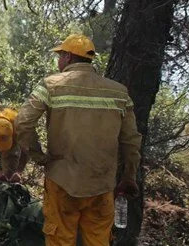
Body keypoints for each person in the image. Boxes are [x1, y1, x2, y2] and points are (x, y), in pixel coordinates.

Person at [16, 34, 142, 246]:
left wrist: (40, 157)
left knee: (60, 239)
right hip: (102, 184)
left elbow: (22, 123)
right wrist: (129, 176)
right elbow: (131, 140)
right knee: (98, 241)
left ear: (67, 56)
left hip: (62, 181)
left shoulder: (51, 85)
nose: (58, 61)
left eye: (59, 56)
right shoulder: (119, 92)